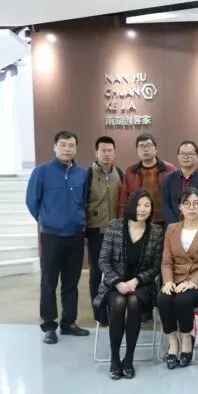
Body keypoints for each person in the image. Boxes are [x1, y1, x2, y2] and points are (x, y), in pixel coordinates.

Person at [26, 130, 90, 344]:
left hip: (75, 236)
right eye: (63, 145)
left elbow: (85, 201)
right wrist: (46, 220)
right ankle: (49, 326)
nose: (67, 149)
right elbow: (32, 202)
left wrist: (79, 221)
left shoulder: (82, 174)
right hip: (51, 237)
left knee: (71, 282)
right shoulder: (41, 172)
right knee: (49, 282)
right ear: (55, 147)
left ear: (76, 148)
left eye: (71, 145)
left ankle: (69, 323)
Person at [93, 189, 164, 380]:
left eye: (147, 205)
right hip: (114, 284)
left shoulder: (156, 232)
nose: (142, 209)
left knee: (132, 301)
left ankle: (129, 358)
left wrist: (136, 280)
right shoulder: (115, 227)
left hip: (142, 285)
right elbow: (103, 260)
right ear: (131, 206)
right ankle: (115, 358)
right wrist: (117, 282)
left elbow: (156, 266)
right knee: (118, 303)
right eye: (139, 204)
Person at [157, 187, 198, 369]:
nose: (192, 207)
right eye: (187, 203)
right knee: (163, 299)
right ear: (180, 207)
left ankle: (186, 340)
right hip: (174, 280)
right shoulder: (171, 229)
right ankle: (172, 342)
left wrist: (192, 283)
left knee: (183, 300)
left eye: (196, 203)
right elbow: (166, 261)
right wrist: (168, 281)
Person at [85, 136, 124, 325]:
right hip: (96, 230)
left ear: (114, 153)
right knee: (96, 273)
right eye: (103, 151)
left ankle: (114, 310)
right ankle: (99, 314)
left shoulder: (119, 173)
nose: (107, 154)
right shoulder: (89, 174)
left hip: (116, 231)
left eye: (110, 150)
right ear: (96, 153)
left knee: (115, 272)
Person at [119, 133, 176, 226]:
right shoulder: (130, 171)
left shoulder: (169, 169)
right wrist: (122, 223)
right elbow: (123, 201)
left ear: (156, 148)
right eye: (141, 146)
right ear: (137, 150)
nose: (145, 149)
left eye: (148, 145)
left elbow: (176, 198)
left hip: (164, 221)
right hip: (139, 221)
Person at [161, 140, 198, 225]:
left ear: (197, 157)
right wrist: (176, 226)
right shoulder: (168, 179)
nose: (186, 157)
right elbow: (165, 205)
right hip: (173, 228)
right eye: (182, 154)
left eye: (190, 154)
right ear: (178, 156)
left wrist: (189, 225)